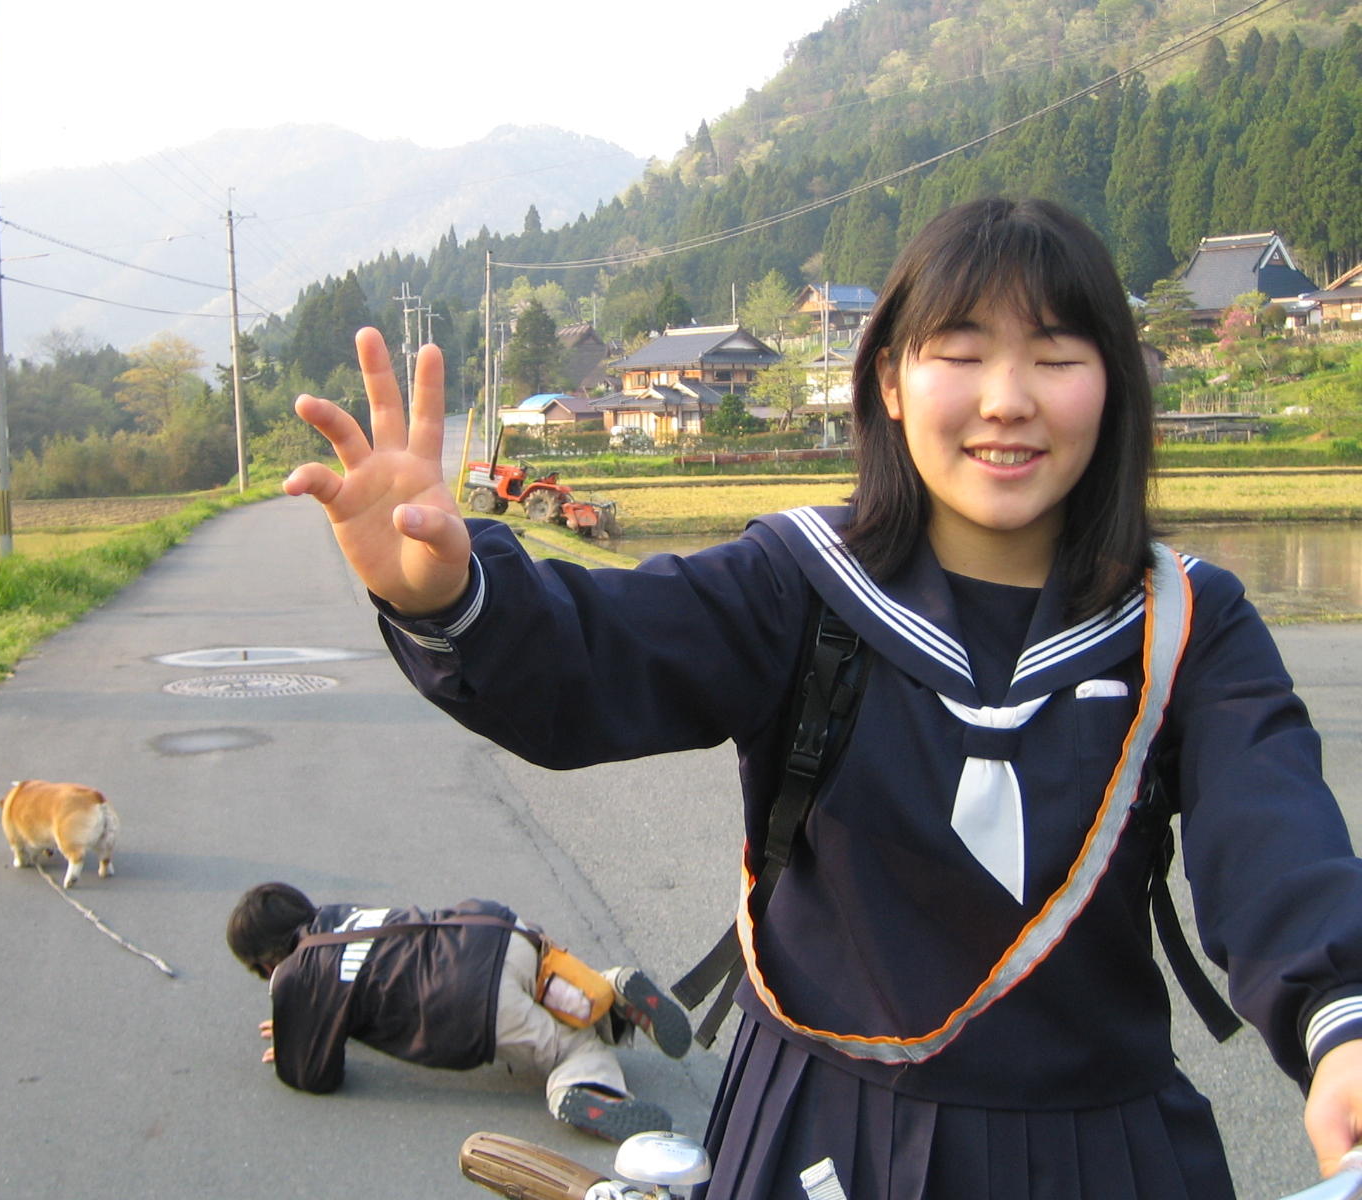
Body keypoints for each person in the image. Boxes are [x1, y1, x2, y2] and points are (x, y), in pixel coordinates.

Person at [281, 197, 1362, 1198]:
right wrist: (457, 593)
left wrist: (1342, 1023)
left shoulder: (1184, 623)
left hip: (1096, 1149)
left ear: (1111, 384)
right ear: (888, 380)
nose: (1007, 398)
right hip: (824, 1136)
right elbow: (598, 657)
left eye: (1054, 354)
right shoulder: (800, 583)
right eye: (962, 351)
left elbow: (1273, 835)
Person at [225, 881, 692, 1142]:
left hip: (472, 999)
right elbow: (367, 972)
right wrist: (316, 1015)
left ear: (266, 962)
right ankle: (613, 989)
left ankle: (589, 1089)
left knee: (570, 1048)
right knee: (564, 993)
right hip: (499, 933)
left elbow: (313, 1075)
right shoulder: (337, 915)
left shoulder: (296, 973)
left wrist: (296, 1027)